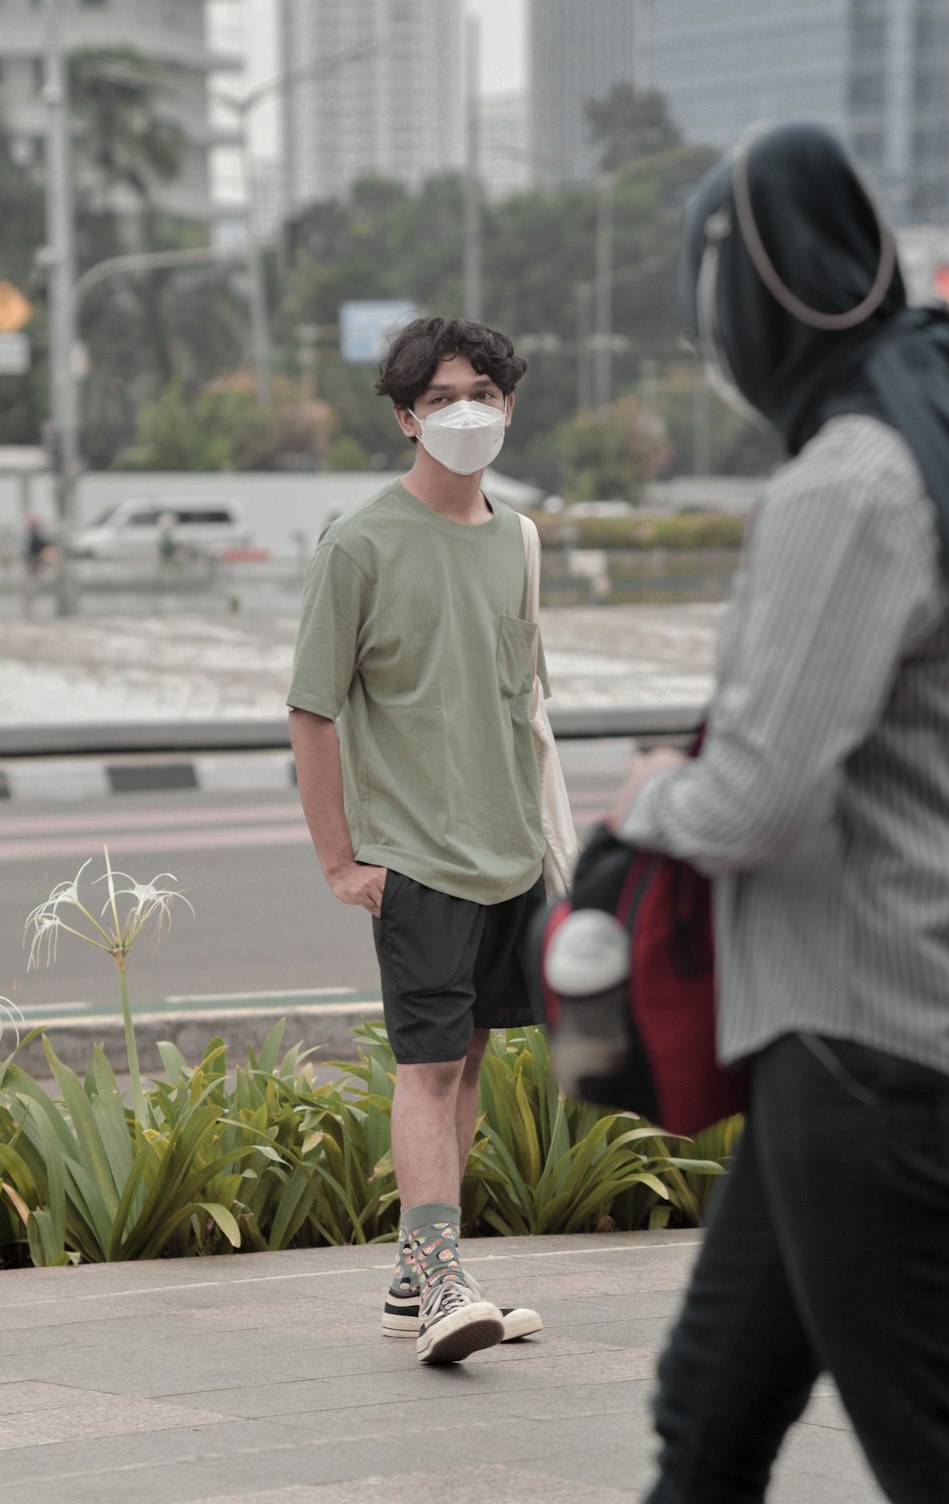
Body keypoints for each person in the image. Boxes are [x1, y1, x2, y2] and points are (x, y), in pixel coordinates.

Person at [609, 123, 949, 1503]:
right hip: (867, 1035)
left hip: (866, 1048)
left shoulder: (850, 480)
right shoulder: (929, 413)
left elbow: (753, 799)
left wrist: (650, 798)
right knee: (706, 1415)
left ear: (743, 303)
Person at [287, 315, 552, 1365]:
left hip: (510, 849)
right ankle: (442, 1278)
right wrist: (341, 861)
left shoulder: (518, 540)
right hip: (417, 855)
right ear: (404, 416)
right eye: (438, 399)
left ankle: (416, 1283)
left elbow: (521, 702)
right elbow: (314, 709)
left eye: (481, 392)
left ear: (510, 403)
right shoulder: (358, 543)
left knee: (472, 1053)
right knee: (427, 1066)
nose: (463, 414)